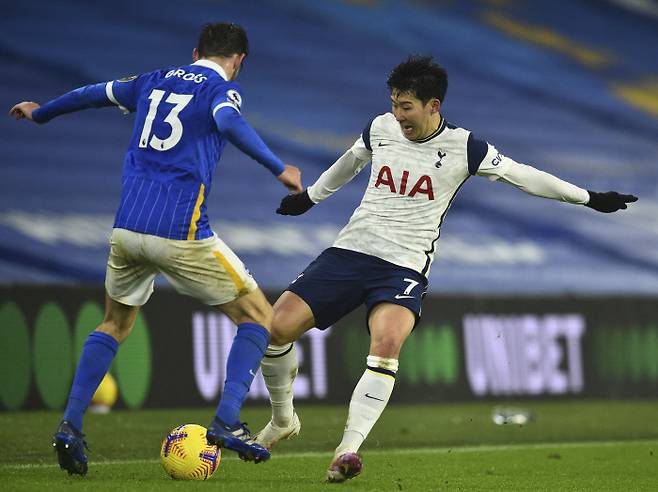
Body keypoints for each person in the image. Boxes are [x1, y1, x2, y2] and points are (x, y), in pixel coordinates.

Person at [252, 55, 638, 482]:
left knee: (386, 345)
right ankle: (283, 421)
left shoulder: (465, 147)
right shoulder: (380, 128)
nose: (399, 116)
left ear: (433, 105)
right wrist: (311, 198)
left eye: (407, 107)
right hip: (349, 252)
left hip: (403, 266)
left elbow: (523, 176)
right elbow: (351, 161)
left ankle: (346, 450)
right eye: (395, 104)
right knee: (274, 329)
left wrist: (588, 197)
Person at [9, 22, 302, 475]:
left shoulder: (152, 80)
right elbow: (226, 120)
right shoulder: (219, 89)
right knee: (259, 318)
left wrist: (42, 112)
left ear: (194, 50)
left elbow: (93, 93)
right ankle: (226, 421)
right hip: (181, 231)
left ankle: (69, 423)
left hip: (127, 229)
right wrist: (278, 167)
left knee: (114, 323)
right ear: (238, 60)